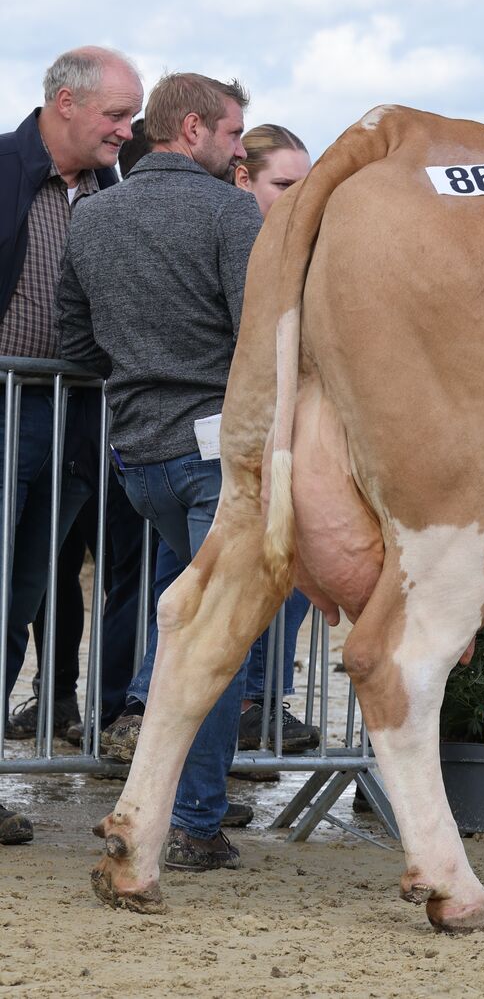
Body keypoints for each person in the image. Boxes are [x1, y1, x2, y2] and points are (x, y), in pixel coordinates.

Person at [57, 71, 260, 870]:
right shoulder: (229, 211)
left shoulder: (94, 214)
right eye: (233, 133)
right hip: (214, 456)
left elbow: (77, 342)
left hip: (139, 456)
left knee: (185, 625)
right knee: (217, 638)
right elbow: (255, 334)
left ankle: (170, 790)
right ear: (192, 129)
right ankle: (195, 819)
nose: (240, 151)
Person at [0, 46, 142, 844]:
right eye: (116, 115)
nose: (127, 131)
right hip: (5, 406)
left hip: (74, 420)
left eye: (133, 117)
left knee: (19, 599)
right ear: (65, 103)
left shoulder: (110, 194)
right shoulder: (2, 168)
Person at [231, 124, 318, 756]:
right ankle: (248, 704)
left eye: (304, 187)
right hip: (228, 437)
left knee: (290, 564)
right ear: (244, 179)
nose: (297, 200)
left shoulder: (298, 250)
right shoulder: (238, 241)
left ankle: (262, 701)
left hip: (278, 437)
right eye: (284, 185)